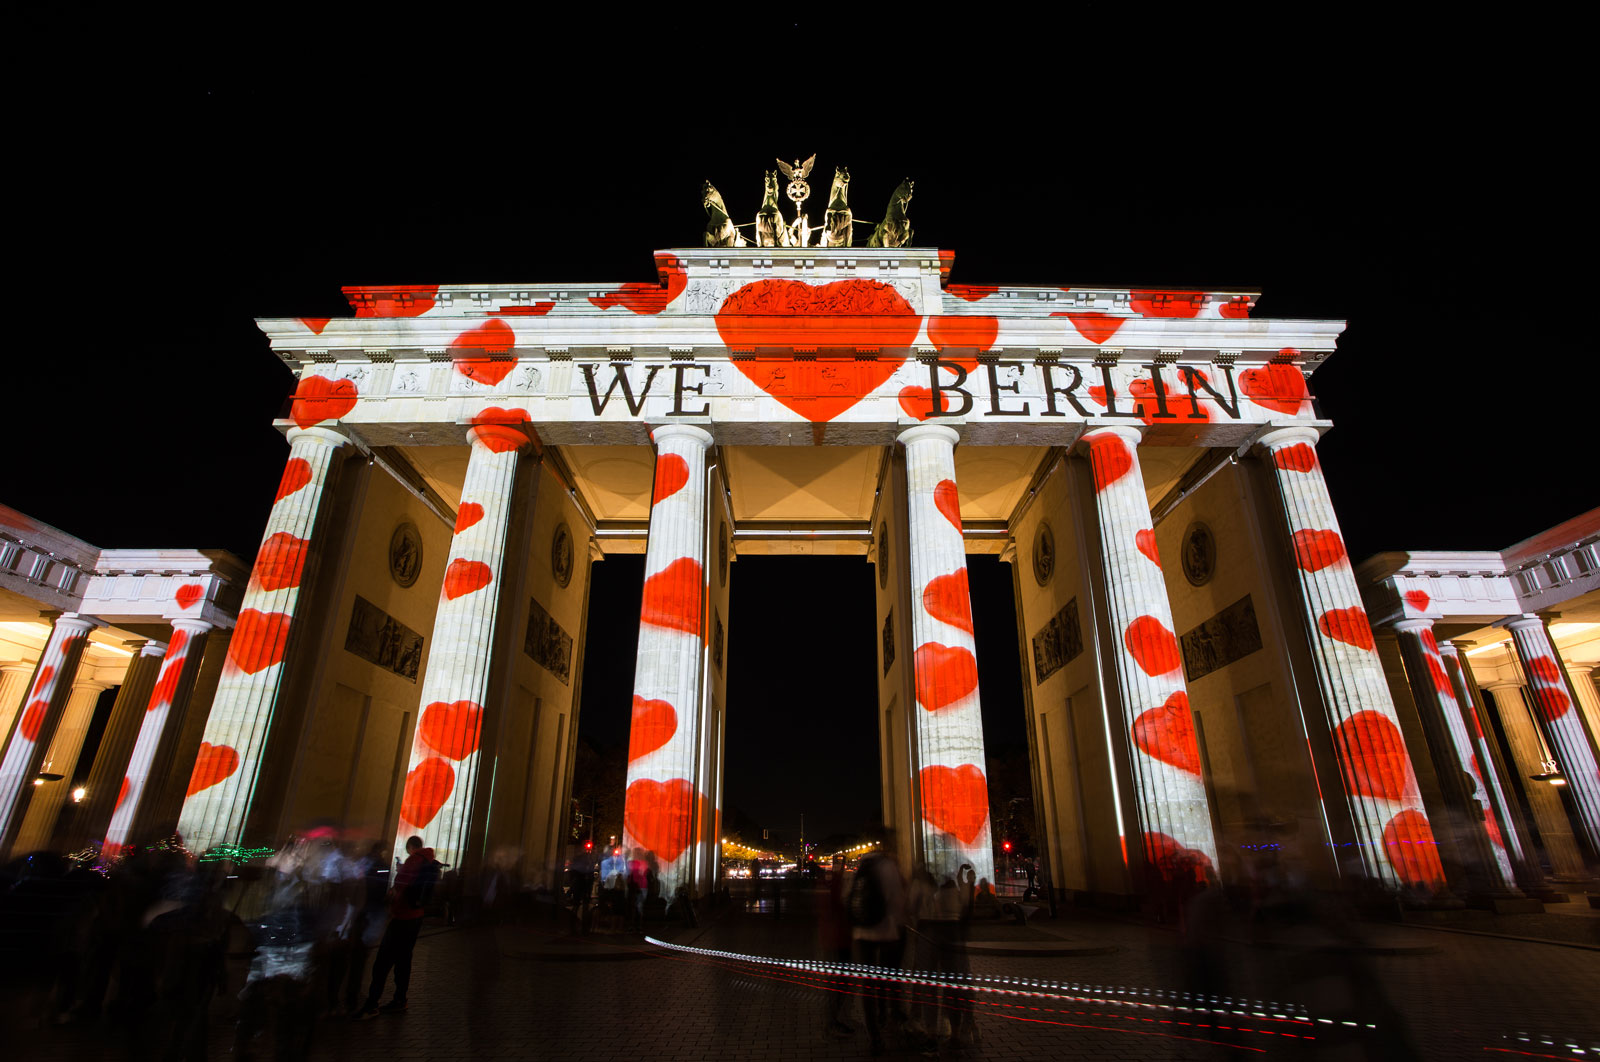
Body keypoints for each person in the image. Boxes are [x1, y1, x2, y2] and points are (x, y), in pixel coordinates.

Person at [357, 835, 439, 1018]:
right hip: (416, 916)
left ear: (410, 846)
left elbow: (400, 887)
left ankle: (371, 1004)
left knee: (382, 962)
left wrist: (391, 902)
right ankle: (400, 999)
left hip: (403, 917)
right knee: (404, 960)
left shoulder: (413, 861)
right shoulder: (428, 860)